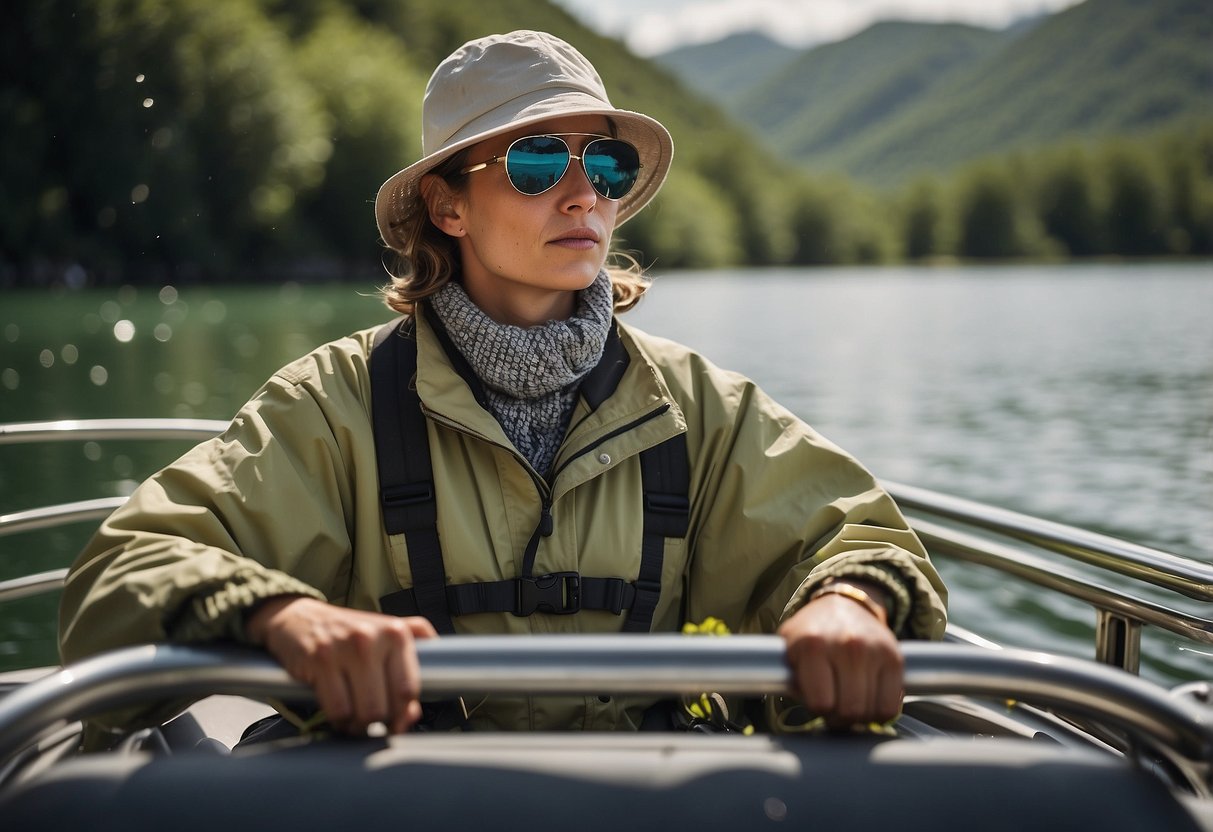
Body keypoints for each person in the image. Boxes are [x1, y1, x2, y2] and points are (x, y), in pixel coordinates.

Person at [59, 30, 947, 739]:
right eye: (533, 164)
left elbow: (859, 540)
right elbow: (121, 571)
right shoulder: (333, 404)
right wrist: (283, 617)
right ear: (447, 208)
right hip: (401, 807)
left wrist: (848, 605)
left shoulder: (699, 406)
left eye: (604, 167)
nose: (580, 196)